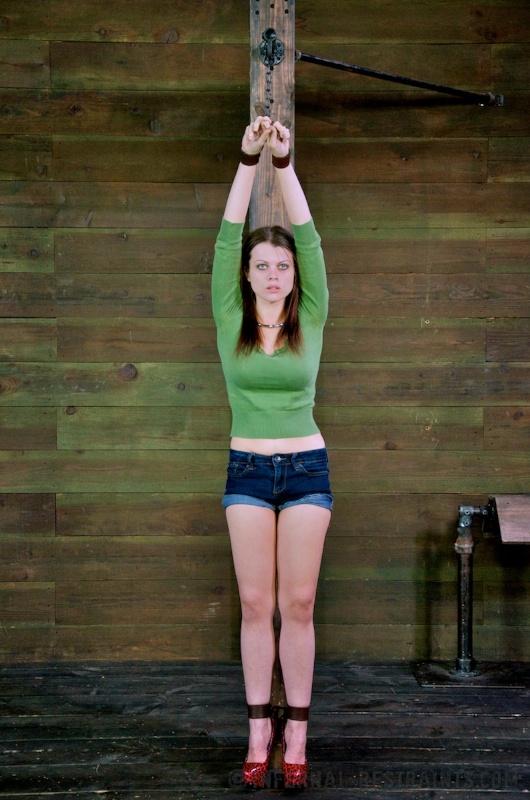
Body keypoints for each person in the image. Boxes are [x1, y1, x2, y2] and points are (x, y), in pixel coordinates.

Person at [212, 116, 332, 790]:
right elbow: (228, 233)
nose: (274, 273)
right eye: (262, 265)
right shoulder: (229, 316)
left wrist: (282, 165)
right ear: (247, 275)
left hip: (307, 468)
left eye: (282, 266)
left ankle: (299, 734)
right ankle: (259, 729)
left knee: (300, 603)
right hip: (248, 471)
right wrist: (247, 157)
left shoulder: (310, 316)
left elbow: (308, 237)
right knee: (256, 604)